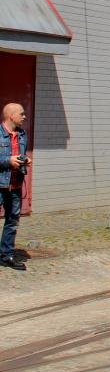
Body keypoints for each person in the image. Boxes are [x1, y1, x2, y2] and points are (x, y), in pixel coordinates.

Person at [0, 103, 30, 270]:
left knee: (12, 222)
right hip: (0, 185)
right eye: (21, 114)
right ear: (11, 115)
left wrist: (25, 159)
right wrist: (8, 161)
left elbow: (21, 154)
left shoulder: (22, 134)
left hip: (15, 185)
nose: (24, 116)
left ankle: (6, 256)